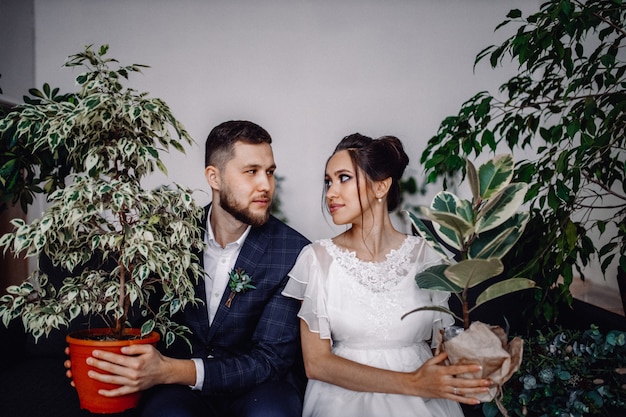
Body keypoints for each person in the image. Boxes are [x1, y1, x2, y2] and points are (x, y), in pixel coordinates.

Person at [65, 120, 310, 417]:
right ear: (214, 177)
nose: (265, 185)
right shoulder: (167, 239)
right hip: (179, 391)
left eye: (269, 172)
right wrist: (102, 358)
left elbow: (269, 361)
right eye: (251, 172)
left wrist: (171, 370)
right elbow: (138, 320)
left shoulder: (292, 250)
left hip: (260, 388)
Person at [282, 133, 492, 417]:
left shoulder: (426, 256)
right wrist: (413, 383)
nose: (331, 192)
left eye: (344, 178)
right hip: (342, 401)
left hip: (425, 405)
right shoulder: (317, 259)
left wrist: (480, 357)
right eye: (328, 181)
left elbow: (442, 350)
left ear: (381, 186)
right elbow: (317, 364)